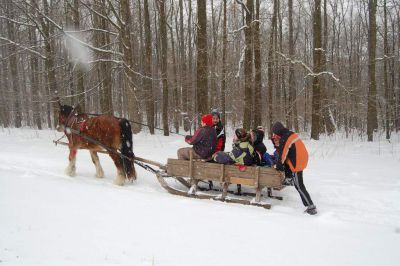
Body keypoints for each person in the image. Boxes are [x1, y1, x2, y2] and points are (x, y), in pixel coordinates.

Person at [271, 121, 317, 215]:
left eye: (275, 133)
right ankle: (291, 180)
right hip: (301, 158)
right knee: (298, 185)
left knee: (299, 186)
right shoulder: (289, 134)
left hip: (297, 162)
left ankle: (311, 207)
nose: (274, 135)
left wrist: (278, 167)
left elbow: (283, 155)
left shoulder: (285, 138)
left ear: (277, 131)